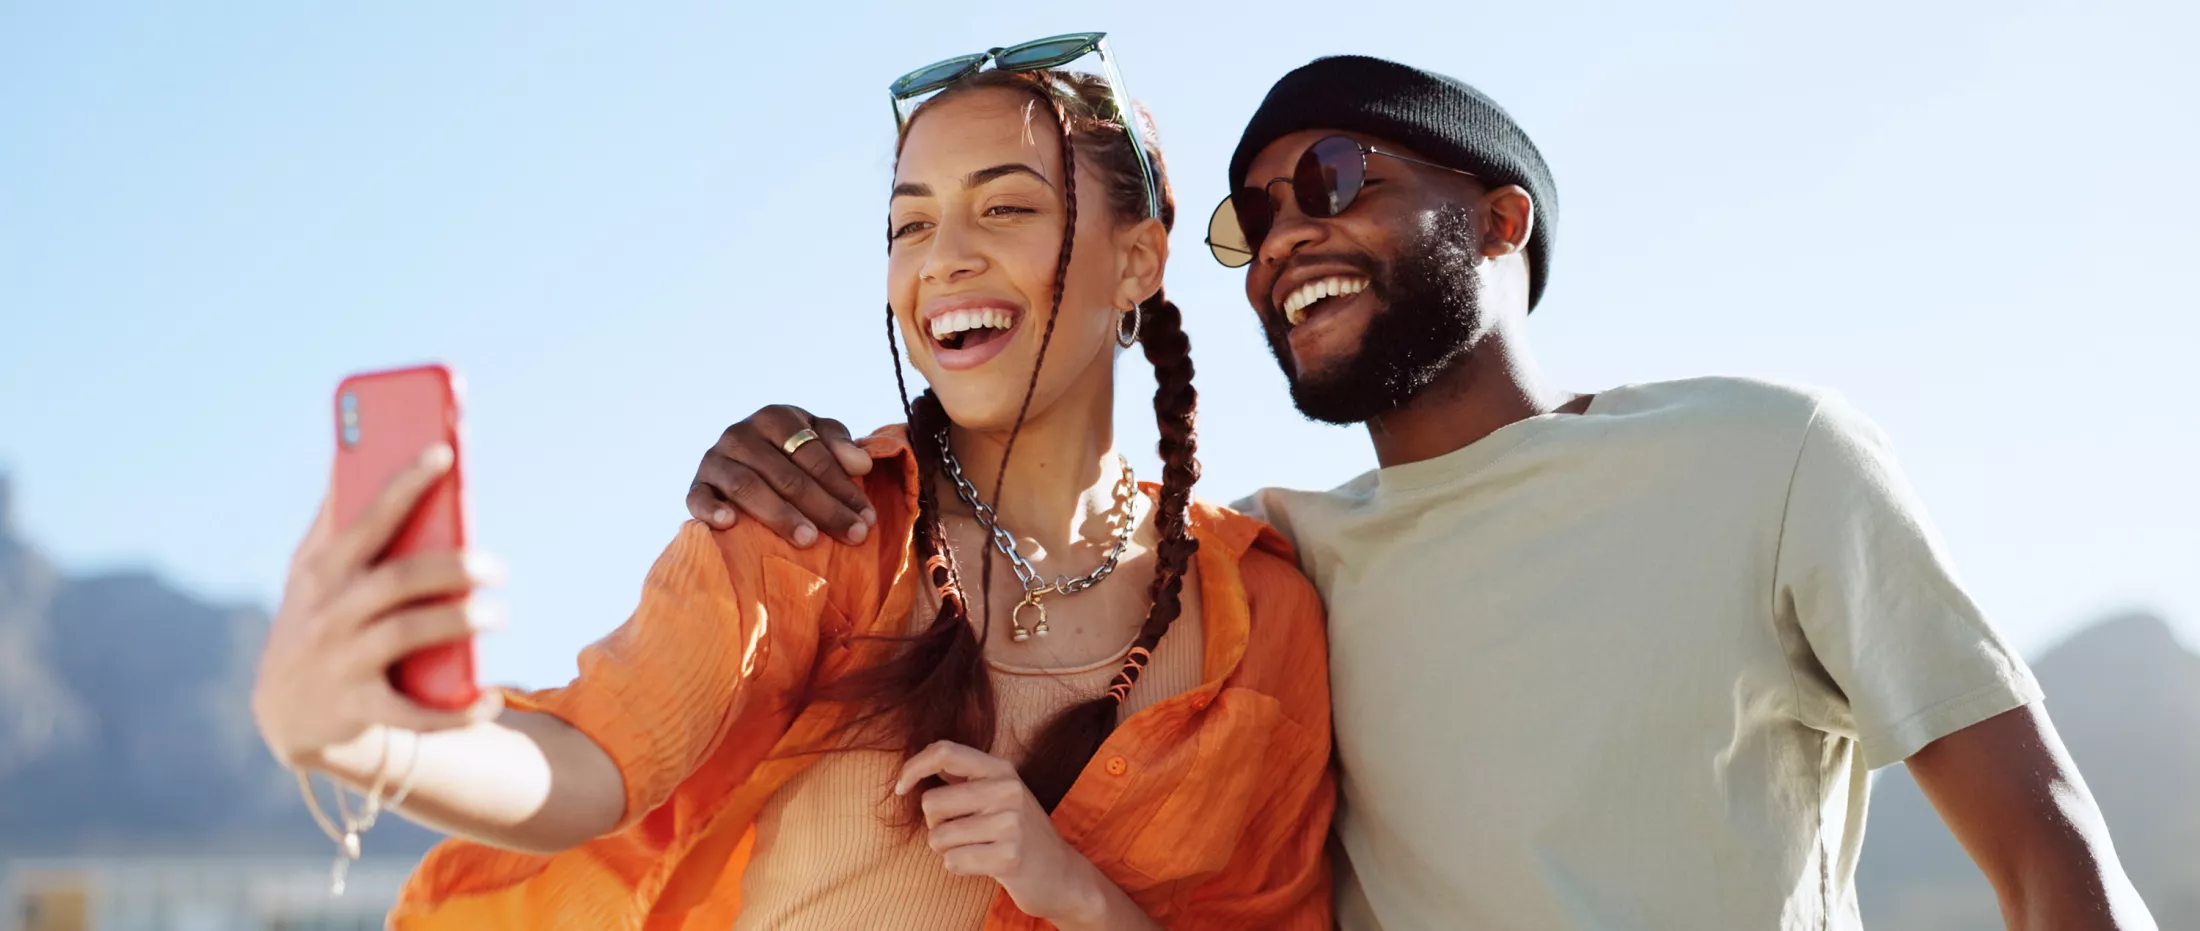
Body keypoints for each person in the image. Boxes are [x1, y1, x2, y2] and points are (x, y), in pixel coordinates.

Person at [682, 55, 2158, 930]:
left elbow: (2049, 851)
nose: (1281, 238)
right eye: (1251, 218)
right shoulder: (1276, 567)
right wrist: (792, 453)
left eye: (1332, 179)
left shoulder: (1766, 456)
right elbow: (1028, 538)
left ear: (1500, 217)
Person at [251, 44, 1334, 931]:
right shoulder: (812, 523)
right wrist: (367, 735)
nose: (940, 258)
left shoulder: (1266, 615)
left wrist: (1077, 893)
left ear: (1138, 261)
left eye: (1003, 210)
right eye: (907, 223)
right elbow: (591, 762)